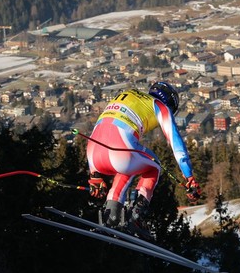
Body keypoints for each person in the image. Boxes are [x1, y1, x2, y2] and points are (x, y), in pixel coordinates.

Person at [86, 81, 202, 239]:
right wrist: (189, 176)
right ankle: (137, 216)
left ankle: (111, 215)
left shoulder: (129, 95)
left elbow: (102, 128)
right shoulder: (160, 106)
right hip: (119, 150)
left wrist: (94, 174)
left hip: (93, 153)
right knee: (153, 166)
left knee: (129, 167)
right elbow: (176, 143)